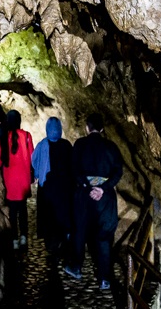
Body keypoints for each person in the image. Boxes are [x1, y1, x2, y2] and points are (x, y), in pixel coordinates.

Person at [65, 113, 123, 289]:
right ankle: (104, 278)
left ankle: (76, 267)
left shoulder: (80, 144)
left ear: (87, 128)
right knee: (104, 237)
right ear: (102, 129)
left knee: (80, 231)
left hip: (84, 195)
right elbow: (118, 171)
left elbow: (74, 169)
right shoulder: (111, 147)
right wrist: (103, 188)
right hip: (105, 198)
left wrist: (87, 185)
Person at [31, 117, 74, 254]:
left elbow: (34, 162)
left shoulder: (42, 145)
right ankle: (64, 238)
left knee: (48, 216)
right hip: (64, 188)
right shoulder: (66, 145)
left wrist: (37, 174)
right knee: (63, 214)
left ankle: (51, 244)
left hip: (47, 188)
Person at [0, 109, 33, 249]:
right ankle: (24, 237)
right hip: (23, 179)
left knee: (12, 211)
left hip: (9, 180)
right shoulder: (27, 136)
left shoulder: (4, 137)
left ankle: (14, 240)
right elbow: (32, 157)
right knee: (23, 209)